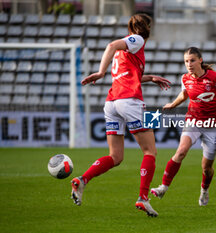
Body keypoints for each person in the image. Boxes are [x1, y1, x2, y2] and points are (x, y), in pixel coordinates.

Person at [70, 13, 171, 217]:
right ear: (146, 27)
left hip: (112, 102)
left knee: (115, 157)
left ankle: (82, 180)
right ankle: (143, 198)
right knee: (150, 151)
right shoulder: (136, 39)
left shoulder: (127, 49)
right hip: (129, 101)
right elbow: (110, 45)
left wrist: (149, 77)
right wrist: (100, 73)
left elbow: (129, 75)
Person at [151, 47, 216, 206]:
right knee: (180, 152)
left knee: (206, 168)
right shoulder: (185, 78)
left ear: (200, 60)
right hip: (193, 121)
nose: (189, 64)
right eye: (186, 61)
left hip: (212, 124)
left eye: (192, 60)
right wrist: (173, 104)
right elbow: (184, 94)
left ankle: (204, 190)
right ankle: (163, 187)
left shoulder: (215, 77)